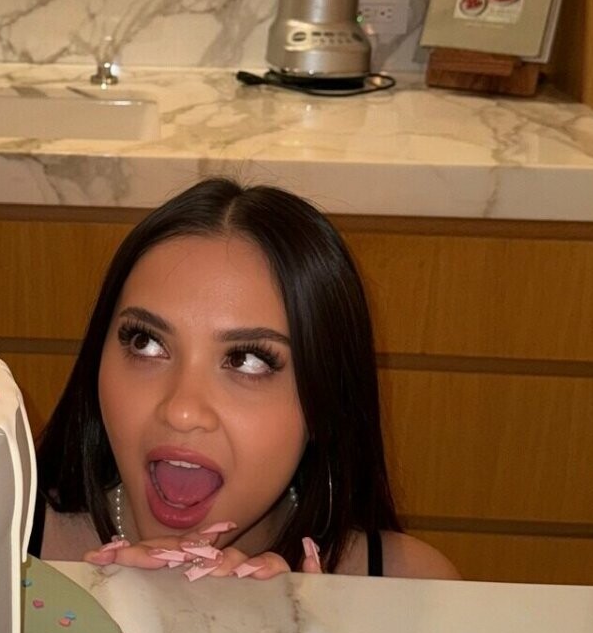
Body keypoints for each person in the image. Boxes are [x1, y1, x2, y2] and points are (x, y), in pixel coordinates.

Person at [30, 178, 460, 580]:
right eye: (146, 343)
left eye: (248, 360)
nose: (182, 410)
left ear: (326, 404)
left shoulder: (412, 587)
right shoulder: (3, 550)